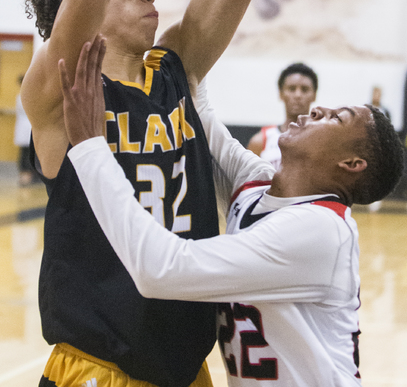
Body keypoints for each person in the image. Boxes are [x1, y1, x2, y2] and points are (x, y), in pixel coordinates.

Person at [10, 0, 273, 387]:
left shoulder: (176, 66)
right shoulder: (58, 86)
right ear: (74, 16)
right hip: (100, 366)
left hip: (186, 364)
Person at [59, 35, 404, 387]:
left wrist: (90, 147)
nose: (317, 110)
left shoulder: (321, 231)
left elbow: (159, 270)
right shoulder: (261, 185)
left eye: (336, 118)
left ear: (351, 163)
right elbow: (201, 113)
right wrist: (206, 3)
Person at [247, 62, 318, 168]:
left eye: (304, 89)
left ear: (314, 95)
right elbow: (248, 182)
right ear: (281, 94)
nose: (298, 95)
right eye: (292, 89)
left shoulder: (321, 140)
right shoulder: (261, 141)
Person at [14, 74, 39, 186]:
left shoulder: (22, 96)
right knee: (26, 153)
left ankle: (27, 175)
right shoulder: (25, 96)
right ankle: (26, 175)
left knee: (28, 153)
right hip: (27, 128)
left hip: (27, 128)